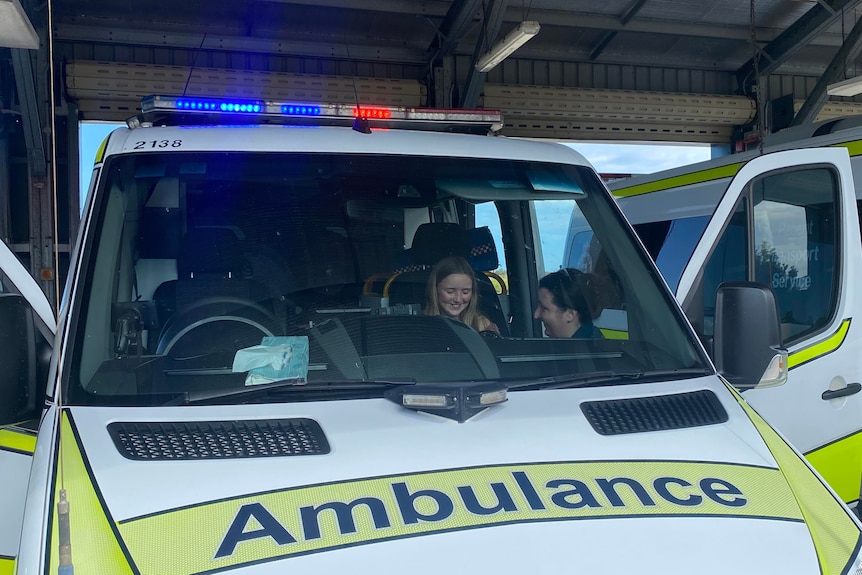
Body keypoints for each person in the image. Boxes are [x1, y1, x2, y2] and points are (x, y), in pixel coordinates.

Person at [424, 256, 499, 334]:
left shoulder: (483, 326)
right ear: (435, 290)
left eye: (465, 292)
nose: (458, 299)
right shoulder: (421, 326)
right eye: (450, 291)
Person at [534, 268, 604, 338]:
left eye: (544, 308)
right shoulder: (591, 343)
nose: (536, 315)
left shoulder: (585, 348)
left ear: (570, 314)